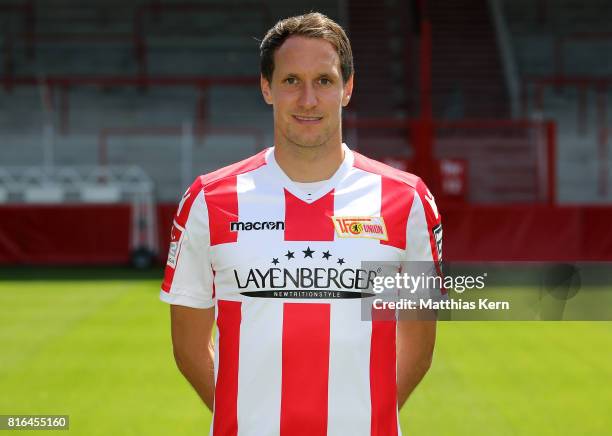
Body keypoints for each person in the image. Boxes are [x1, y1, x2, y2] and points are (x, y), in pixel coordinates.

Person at [160, 12, 443, 436]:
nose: (308, 99)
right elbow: (188, 345)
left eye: (324, 81)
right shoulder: (208, 199)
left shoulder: (409, 200)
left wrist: (363, 417)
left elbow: (418, 346)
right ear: (266, 88)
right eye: (291, 80)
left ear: (347, 88)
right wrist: (247, 417)